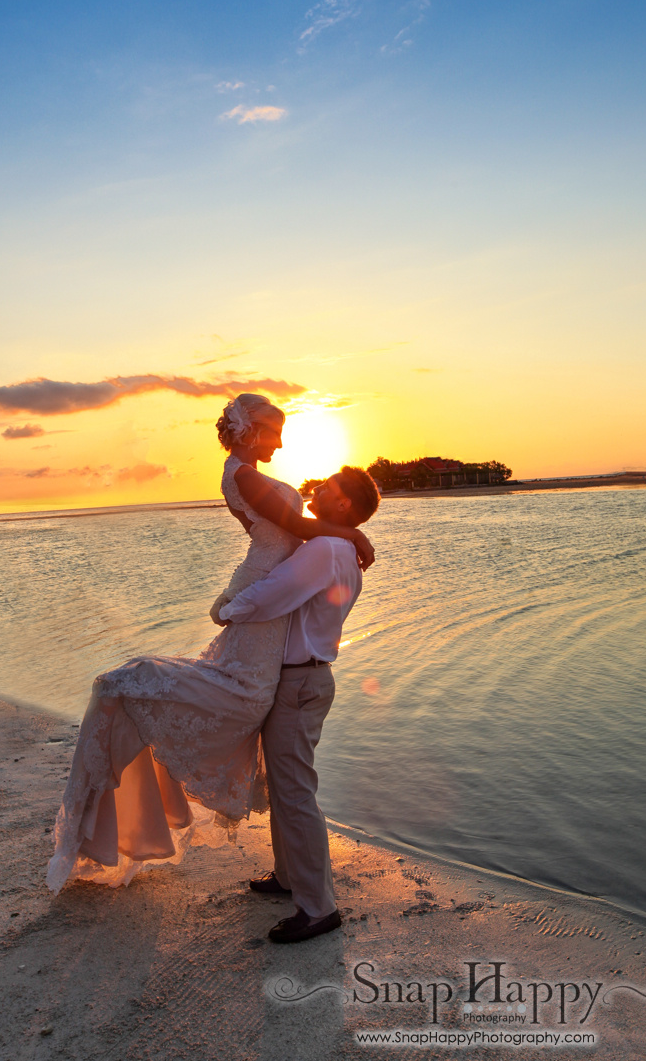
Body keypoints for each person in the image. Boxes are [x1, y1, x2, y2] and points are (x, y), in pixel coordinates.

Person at [46, 394, 374, 894]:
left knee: (284, 776)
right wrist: (352, 537)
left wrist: (235, 603)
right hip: (267, 623)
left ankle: (304, 889)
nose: (283, 443)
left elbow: (292, 544)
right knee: (277, 771)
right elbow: (293, 531)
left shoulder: (319, 539)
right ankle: (293, 881)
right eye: (276, 431)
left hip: (275, 633)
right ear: (252, 431)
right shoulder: (245, 479)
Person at [213, 468, 381, 942]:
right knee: (286, 788)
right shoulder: (339, 546)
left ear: (345, 505)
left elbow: (270, 594)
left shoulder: (326, 549)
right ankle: (289, 879)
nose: (319, 490)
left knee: (294, 793)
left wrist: (226, 610)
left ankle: (318, 908)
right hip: (300, 679)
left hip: (299, 682)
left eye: (330, 488)